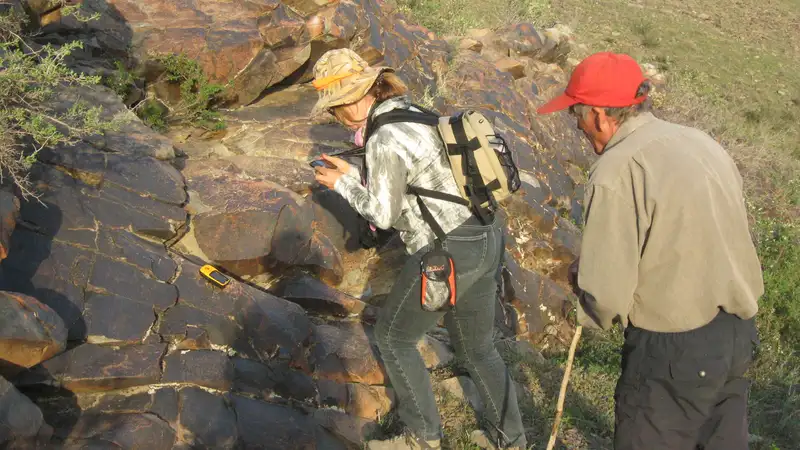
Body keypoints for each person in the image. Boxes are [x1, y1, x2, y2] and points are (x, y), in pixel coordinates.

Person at [538, 52, 764, 450]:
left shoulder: (618, 168)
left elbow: (606, 293)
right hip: (736, 334)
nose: (577, 125)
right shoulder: (700, 142)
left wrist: (585, 286)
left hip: (673, 349)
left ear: (599, 116)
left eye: (576, 114)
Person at [310, 48, 527, 450]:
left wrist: (340, 184)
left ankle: (422, 439)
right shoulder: (412, 111)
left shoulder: (384, 138)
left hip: (448, 250)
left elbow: (383, 213)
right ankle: (511, 439)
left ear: (356, 99)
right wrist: (356, 172)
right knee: (478, 346)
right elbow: (420, 173)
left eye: (336, 108)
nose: (336, 117)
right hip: (485, 231)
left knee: (395, 338)